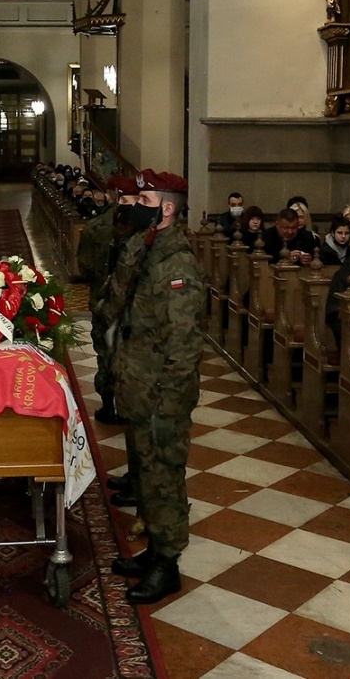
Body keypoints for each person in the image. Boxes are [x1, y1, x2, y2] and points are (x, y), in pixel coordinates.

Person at [107, 170, 206, 606]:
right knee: (145, 471)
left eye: (144, 198)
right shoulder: (145, 248)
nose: (135, 204)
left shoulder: (177, 265)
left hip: (161, 392)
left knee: (164, 475)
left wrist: (168, 403)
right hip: (137, 383)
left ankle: (168, 563)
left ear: (166, 208)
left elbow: (184, 345)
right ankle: (153, 550)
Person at [78, 174, 137, 425]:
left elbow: (84, 267)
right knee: (132, 352)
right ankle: (130, 403)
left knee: (105, 351)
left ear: (112, 195)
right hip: (134, 302)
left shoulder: (96, 225)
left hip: (103, 299)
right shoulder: (143, 226)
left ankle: (108, 404)